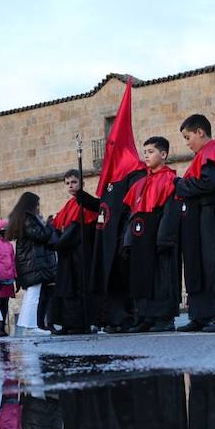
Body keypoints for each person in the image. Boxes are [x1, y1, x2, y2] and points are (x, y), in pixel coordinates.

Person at [90, 84, 146, 334]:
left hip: (122, 237)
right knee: (111, 280)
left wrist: (126, 235)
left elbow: (134, 203)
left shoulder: (134, 170)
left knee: (125, 280)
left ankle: (128, 318)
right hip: (107, 239)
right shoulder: (111, 176)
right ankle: (112, 319)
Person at [174, 114, 215, 332]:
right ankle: (201, 315)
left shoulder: (213, 151)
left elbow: (210, 184)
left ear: (200, 132)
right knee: (196, 265)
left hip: (211, 215)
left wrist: (181, 185)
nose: (187, 142)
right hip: (196, 216)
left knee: (214, 262)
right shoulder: (201, 155)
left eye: (188, 136)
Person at [122, 136, 182, 333]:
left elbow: (170, 211)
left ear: (163, 154)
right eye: (145, 152)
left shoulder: (170, 179)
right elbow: (133, 213)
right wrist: (128, 240)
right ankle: (145, 316)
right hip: (141, 239)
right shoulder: (140, 183)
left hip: (159, 237)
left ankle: (164, 318)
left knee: (162, 278)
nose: (146, 156)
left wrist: (164, 239)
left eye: (151, 152)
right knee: (142, 277)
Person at [49, 169, 99, 334]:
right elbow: (57, 225)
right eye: (68, 183)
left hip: (79, 251)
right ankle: (68, 322)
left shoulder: (84, 203)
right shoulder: (69, 204)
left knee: (78, 287)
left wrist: (60, 243)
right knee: (66, 287)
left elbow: (77, 228)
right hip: (67, 253)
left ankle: (79, 323)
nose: (71, 186)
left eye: (74, 182)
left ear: (82, 183)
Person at [6, 191, 57, 334]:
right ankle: (31, 327)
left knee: (31, 294)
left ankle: (25, 324)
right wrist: (48, 224)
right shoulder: (28, 218)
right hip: (33, 263)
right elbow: (42, 236)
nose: (38, 207)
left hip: (28, 262)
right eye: (37, 204)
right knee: (34, 295)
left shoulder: (23, 218)